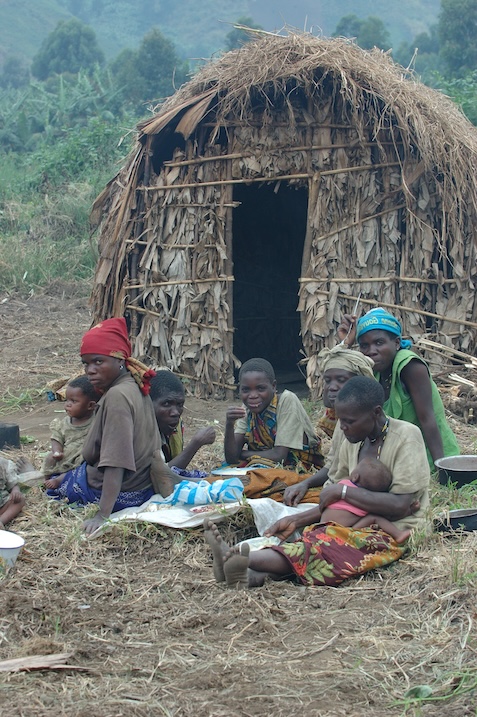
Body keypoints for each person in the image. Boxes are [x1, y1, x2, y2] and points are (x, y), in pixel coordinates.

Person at [205, 376, 430, 589]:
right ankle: (250, 577)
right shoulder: (352, 439)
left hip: (390, 532)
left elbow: (399, 506)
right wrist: (296, 519)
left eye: (349, 421)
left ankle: (240, 558)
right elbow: (336, 498)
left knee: (324, 545)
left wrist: (341, 492)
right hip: (349, 524)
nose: (342, 427)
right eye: (341, 420)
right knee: (311, 538)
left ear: (376, 413)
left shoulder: (406, 437)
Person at [45, 317, 161, 535]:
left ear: (119, 361)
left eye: (98, 361)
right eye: (86, 363)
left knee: (52, 488)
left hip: (124, 491)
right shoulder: (132, 385)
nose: (90, 370)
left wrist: (102, 514)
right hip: (141, 484)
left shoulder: (117, 396)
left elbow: (115, 463)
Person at [338, 306, 460, 468]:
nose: (371, 351)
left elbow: (428, 419)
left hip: (428, 455)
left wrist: (442, 468)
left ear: (396, 343)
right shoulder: (375, 371)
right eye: (364, 345)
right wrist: (345, 344)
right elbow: (340, 389)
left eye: (379, 342)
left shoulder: (410, 366)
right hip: (400, 456)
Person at [283, 345, 375, 505]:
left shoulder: (367, 423)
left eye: (341, 380)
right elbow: (333, 466)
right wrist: (305, 484)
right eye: (327, 380)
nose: (332, 387)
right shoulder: (343, 421)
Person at [224, 358, 323, 471]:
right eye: (246, 390)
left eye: (260, 388)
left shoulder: (286, 400)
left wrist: (242, 454)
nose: (253, 395)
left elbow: (279, 456)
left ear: (274, 386)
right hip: (263, 465)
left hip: (298, 466)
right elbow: (231, 458)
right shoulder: (247, 409)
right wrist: (229, 424)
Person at [319, 459, 410, 544]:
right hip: (344, 533)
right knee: (374, 517)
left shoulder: (342, 485)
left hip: (322, 529)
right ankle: (398, 534)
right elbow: (388, 516)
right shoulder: (364, 501)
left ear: (355, 477)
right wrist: (410, 511)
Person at [42, 376, 101, 489]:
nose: (67, 404)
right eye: (67, 400)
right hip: (64, 456)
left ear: (90, 405)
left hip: (79, 457)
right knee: (49, 458)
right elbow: (56, 438)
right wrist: (57, 451)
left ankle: (59, 480)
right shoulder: (64, 422)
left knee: (82, 467)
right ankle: (46, 480)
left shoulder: (95, 420)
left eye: (73, 401)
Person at [149, 370, 216, 469]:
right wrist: (196, 443)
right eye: (167, 404)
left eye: (180, 405)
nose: (175, 412)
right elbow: (162, 475)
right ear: (149, 403)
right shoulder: (140, 430)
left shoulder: (174, 427)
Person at [0, 458, 25, 530]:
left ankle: (1, 521)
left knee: (19, 500)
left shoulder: (4, 465)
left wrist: (15, 491)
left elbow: (13, 484)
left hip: (2, 504)